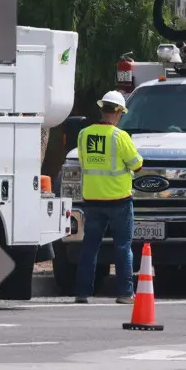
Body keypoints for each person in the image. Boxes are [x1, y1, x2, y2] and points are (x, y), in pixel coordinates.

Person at [74, 90, 143, 304]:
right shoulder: (120, 137)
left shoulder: (84, 134)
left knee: (90, 246)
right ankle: (125, 293)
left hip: (92, 200)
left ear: (102, 109)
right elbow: (137, 165)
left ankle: (82, 292)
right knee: (123, 246)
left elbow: (84, 161)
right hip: (119, 200)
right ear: (119, 112)